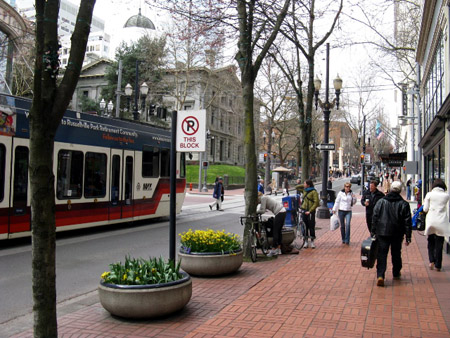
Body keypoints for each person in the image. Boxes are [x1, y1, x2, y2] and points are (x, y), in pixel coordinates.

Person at [372, 181, 411, 286]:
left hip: (382, 232)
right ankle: (396, 272)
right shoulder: (404, 204)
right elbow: (407, 222)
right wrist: (408, 237)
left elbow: (375, 217)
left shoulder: (381, 202)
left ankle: (380, 275)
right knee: (396, 253)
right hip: (397, 233)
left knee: (382, 254)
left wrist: (373, 232)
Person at [423, 179, 450, 272]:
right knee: (439, 243)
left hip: (431, 220)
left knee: (430, 241)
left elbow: (425, 209)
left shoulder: (429, 194)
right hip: (441, 221)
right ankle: (438, 265)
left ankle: (431, 261)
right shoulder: (446, 196)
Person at [257, 192, 286, 257]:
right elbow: (262, 208)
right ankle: (279, 249)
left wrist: (255, 212)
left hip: (279, 212)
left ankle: (273, 249)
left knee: (275, 231)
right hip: (282, 211)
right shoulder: (264, 197)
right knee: (278, 231)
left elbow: (262, 210)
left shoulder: (263, 198)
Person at [298, 179, 320, 248]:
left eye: (305, 183)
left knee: (311, 226)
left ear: (308, 185)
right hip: (304, 210)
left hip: (310, 211)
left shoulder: (314, 192)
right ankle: (306, 241)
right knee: (305, 226)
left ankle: (312, 241)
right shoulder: (304, 190)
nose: (303, 185)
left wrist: (310, 211)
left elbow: (316, 202)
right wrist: (304, 185)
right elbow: (297, 187)